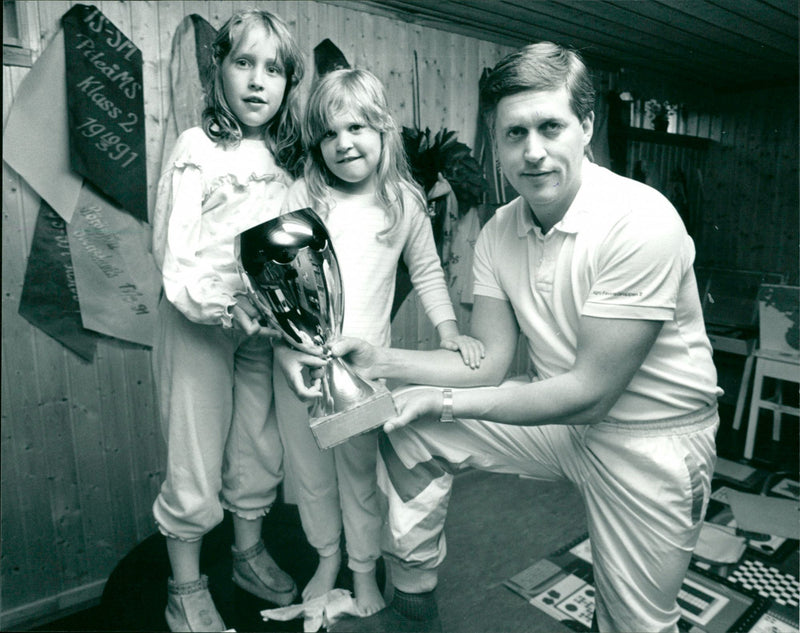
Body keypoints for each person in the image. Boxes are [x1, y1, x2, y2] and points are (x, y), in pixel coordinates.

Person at [280, 43, 721, 633]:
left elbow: (591, 392)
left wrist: (436, 396)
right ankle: (412, 607)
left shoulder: (640, 221)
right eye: (515, 133)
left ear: (586, 127)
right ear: (496, 140)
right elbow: (487, 366)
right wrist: (383, 359)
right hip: (563, 425)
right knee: (410, 431)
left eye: (550, 127)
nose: (532, 151)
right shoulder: (498, 230)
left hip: (649, 441)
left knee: (633, 624)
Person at [273, 68, 485, 617]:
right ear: (317, 145)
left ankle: (364, 571)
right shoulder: (302, 195)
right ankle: (326, 559)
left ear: (383, 130)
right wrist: (286, 349)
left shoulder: (404, 203)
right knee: (312, 476)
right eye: (328, 134)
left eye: (357, 127)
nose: (343, 143)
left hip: (363, 375)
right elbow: (275, 283)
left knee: (360, 477)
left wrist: (450, 333)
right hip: (300, 367)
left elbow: (431, 273)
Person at [150, 9, 304, 631]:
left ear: (289, 84)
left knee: (257, 445)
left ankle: (247, 553)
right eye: (244, 62)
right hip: (199, 324)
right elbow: (172, 247)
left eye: (274, 69)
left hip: (259, 331)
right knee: (193, 455)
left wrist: (283, 310)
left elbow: (293, 248)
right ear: (218, 71)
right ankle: (184, 590)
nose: (258, 80)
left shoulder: (289, 162)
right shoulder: (197, 148)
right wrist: (217, 305)